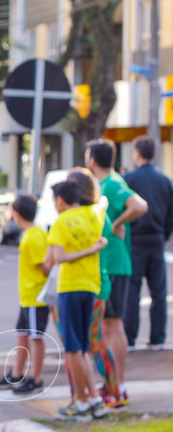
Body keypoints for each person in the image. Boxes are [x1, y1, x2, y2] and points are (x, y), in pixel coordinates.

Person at [85, 140, 147, 407]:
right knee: (110, 325)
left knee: (113, 325)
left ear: (91, 160)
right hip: (109, 264)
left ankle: (117, 385)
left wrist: (118, 224)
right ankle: (113, 384)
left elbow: (139, 206)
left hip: (114, 264)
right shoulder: (107, 184)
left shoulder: (112, 184)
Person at [45, 179, 109, 420]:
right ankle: (93, 399)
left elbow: (58, 257)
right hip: (91, 285)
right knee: (82, 347)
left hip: (70, 287)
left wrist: (90, 250)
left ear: (60, 201)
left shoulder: (60, 223)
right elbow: (103, 201)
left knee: (73, 349)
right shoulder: (93, 215)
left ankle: (83, 401)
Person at [68, 168, 120, 408]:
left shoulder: (87, 216)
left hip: (91, 283)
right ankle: (111, 390)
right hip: (99, 281)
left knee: (90, 344)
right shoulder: (99, 212)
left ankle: (110, 392)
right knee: (92, 343)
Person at [0, 194, 49, 393]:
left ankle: (36, 377)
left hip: (35, 296)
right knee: (22, 334)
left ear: (16, 214)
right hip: (28, 295)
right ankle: (17, 373)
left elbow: (44, 266)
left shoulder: (34, 236)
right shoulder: (32, 233)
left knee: (35, 337)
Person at [122, 135, 173, 349]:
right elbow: (171, 214)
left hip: (135, 240)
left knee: (132, 291)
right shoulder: (165, 181)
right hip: (157, 238)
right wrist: (164, 234)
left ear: (138, 153)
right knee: (158, 292)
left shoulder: (130, 179)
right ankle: (158, 338)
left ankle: (130, 338)